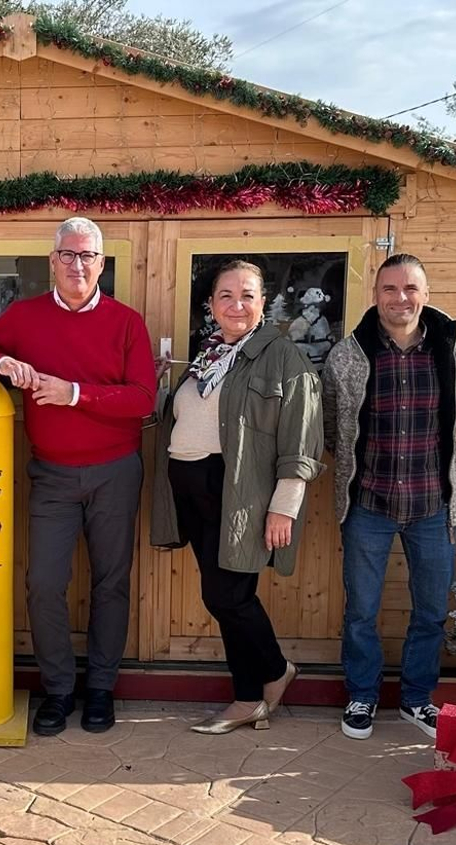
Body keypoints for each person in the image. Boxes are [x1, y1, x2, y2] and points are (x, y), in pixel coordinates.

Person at [0, 217, 156, 736]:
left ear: (102, 263)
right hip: (51, 474)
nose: (78, 265)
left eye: (88, 256)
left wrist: (75, 393)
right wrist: (6, 362)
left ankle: (100, 689)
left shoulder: (126, 322)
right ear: (52, 261)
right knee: (43, 585)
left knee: (111, 583)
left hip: (115, 472)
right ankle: (57, 690)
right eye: (69, 255)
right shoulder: (24, 315)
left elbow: (143, 399)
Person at [150, 261, 323, 733]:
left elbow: (302, 438)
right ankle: (256, 687)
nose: (236, 304)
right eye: (226, 295)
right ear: (211, 305)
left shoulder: (282, 356)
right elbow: (190, 417)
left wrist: (284, 506)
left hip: (239, 496)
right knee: (225, 596)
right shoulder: (206, 357)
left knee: (228, 595)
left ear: (263, 303)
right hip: (195, 495)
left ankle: (263, 681)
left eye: (247, 295)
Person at [322, 253, 456, 741]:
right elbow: (330, 425)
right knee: (361, 610)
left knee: (431, 611)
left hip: (433, 504)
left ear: (425, 294)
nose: (400, 298)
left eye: (410, 289)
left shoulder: (451, 348)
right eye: (390, 289)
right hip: (369, 504)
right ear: (376, 295)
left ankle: (415, 699)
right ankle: (362, 695)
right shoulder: (349, 354)